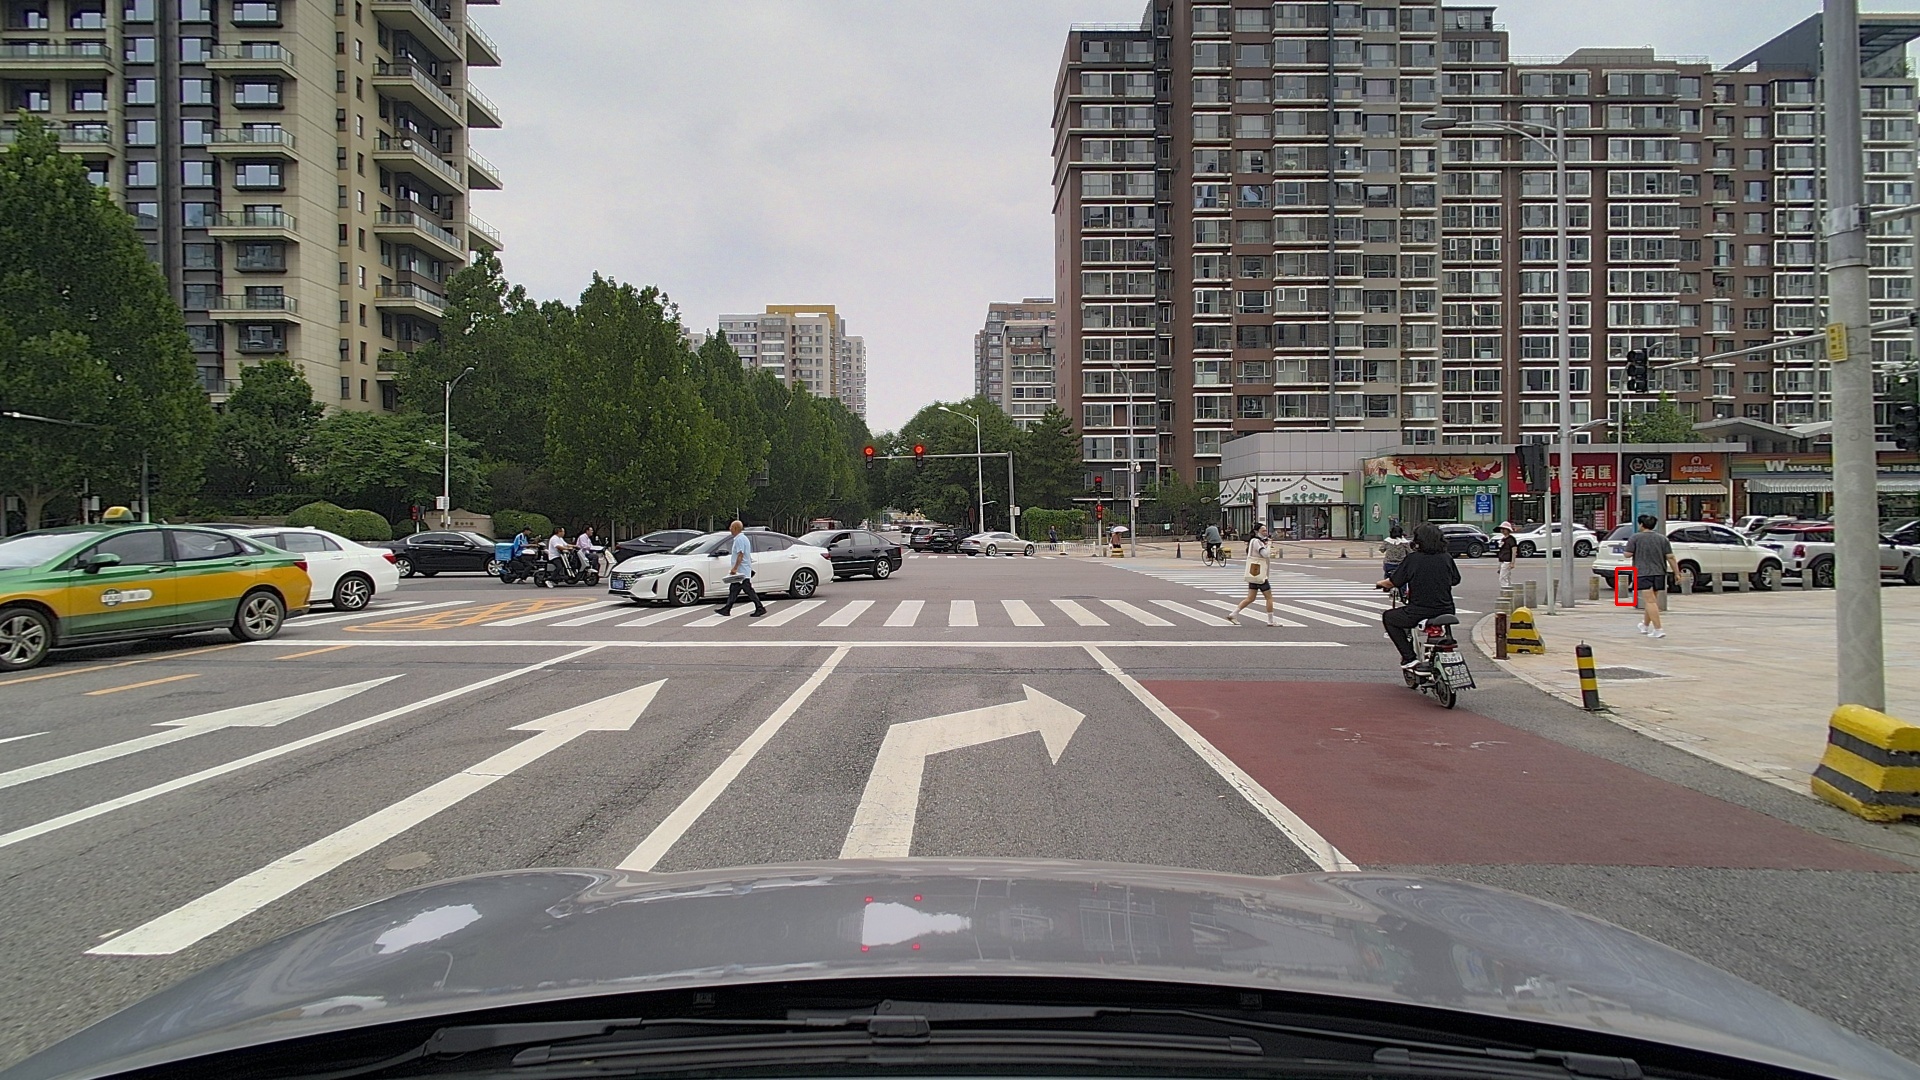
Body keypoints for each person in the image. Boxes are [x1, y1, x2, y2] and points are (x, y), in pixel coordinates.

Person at [1378, 522, 1460, 671]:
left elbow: (1394, 582)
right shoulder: (1446, 557)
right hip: (1446, 609)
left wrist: (1380, 584)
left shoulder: (1413, 559)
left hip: (1419, 611)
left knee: (1389, 617)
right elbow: (1455, 580)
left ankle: (1409, 658)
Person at [1623, 513, 1677, 639]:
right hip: (1659, 572)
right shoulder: (1662, 539)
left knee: (1650, 601)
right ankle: (1645, 625)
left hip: (1643, 573)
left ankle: (1658, 629)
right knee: (1652, 601)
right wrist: (1677, 572)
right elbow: (1670, 557)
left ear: (1641, 524)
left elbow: (1627, 554)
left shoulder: (1635, 537)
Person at [1226, 523, 1277, 625]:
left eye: (1266, 530)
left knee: (1251, 598)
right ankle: (1270, 620)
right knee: (1269, 597)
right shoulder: (1256, 541)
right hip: (1260, 574)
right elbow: (1265, 554)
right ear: (1257, 531)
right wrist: (1269, 545)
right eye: (1263, 531)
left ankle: (1233, 614)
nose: (1265, 532)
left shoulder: (1255, 541)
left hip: (1254, 573)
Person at [716, 519, 767, 617]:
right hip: (742, 570)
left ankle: (760, 607)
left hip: (741, 571)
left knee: (747, 590)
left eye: (731, 527)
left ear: (735, 528)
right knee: (734, 589)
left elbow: (740, 554)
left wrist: (735, 568)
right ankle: (727, 609)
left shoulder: (739, 539)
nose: (730, 529)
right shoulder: (743, 538)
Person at [1495, 521, 1517, 590]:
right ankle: (1510, 590)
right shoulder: (1503, 539)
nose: (1502, 530)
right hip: (1502, 560)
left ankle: (1506, 590)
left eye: (1504, 529)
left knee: (1503, 577)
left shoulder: (1511, 539)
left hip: (1507, 560)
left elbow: (1514, 551)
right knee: (1506, 577)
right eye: (1501, 529)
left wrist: (1512, 562)